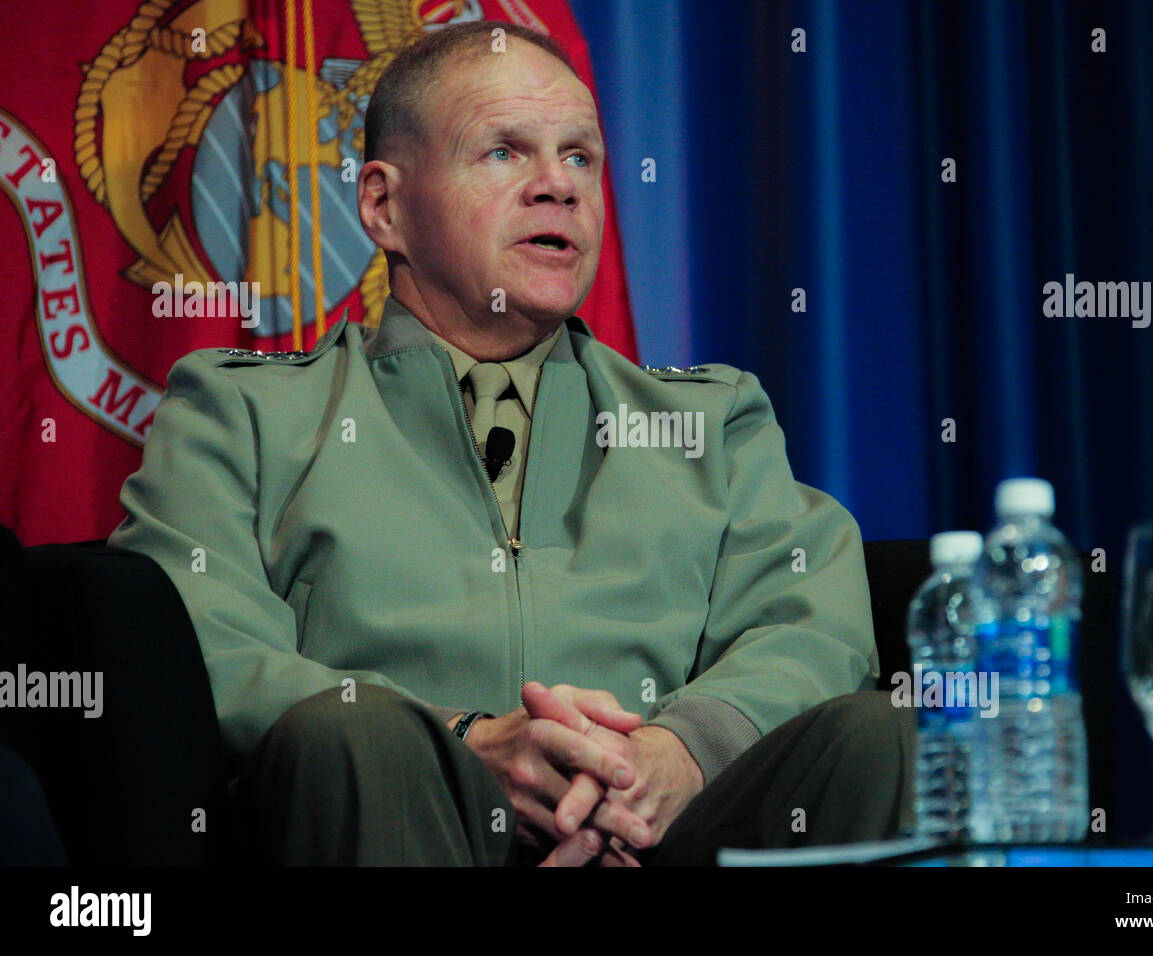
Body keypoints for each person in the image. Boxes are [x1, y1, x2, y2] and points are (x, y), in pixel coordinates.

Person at [108, 20, 912, 866]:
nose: (556, 187)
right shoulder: (243, 413)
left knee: (879, 735)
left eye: (579, 158)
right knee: (356, 734)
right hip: (399, 821)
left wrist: (670, 758)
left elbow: (811, 623)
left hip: (660, 837)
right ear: (384, 207)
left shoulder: (712, 421)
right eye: (503, 152)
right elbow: (194, 641)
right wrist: (463, 744)